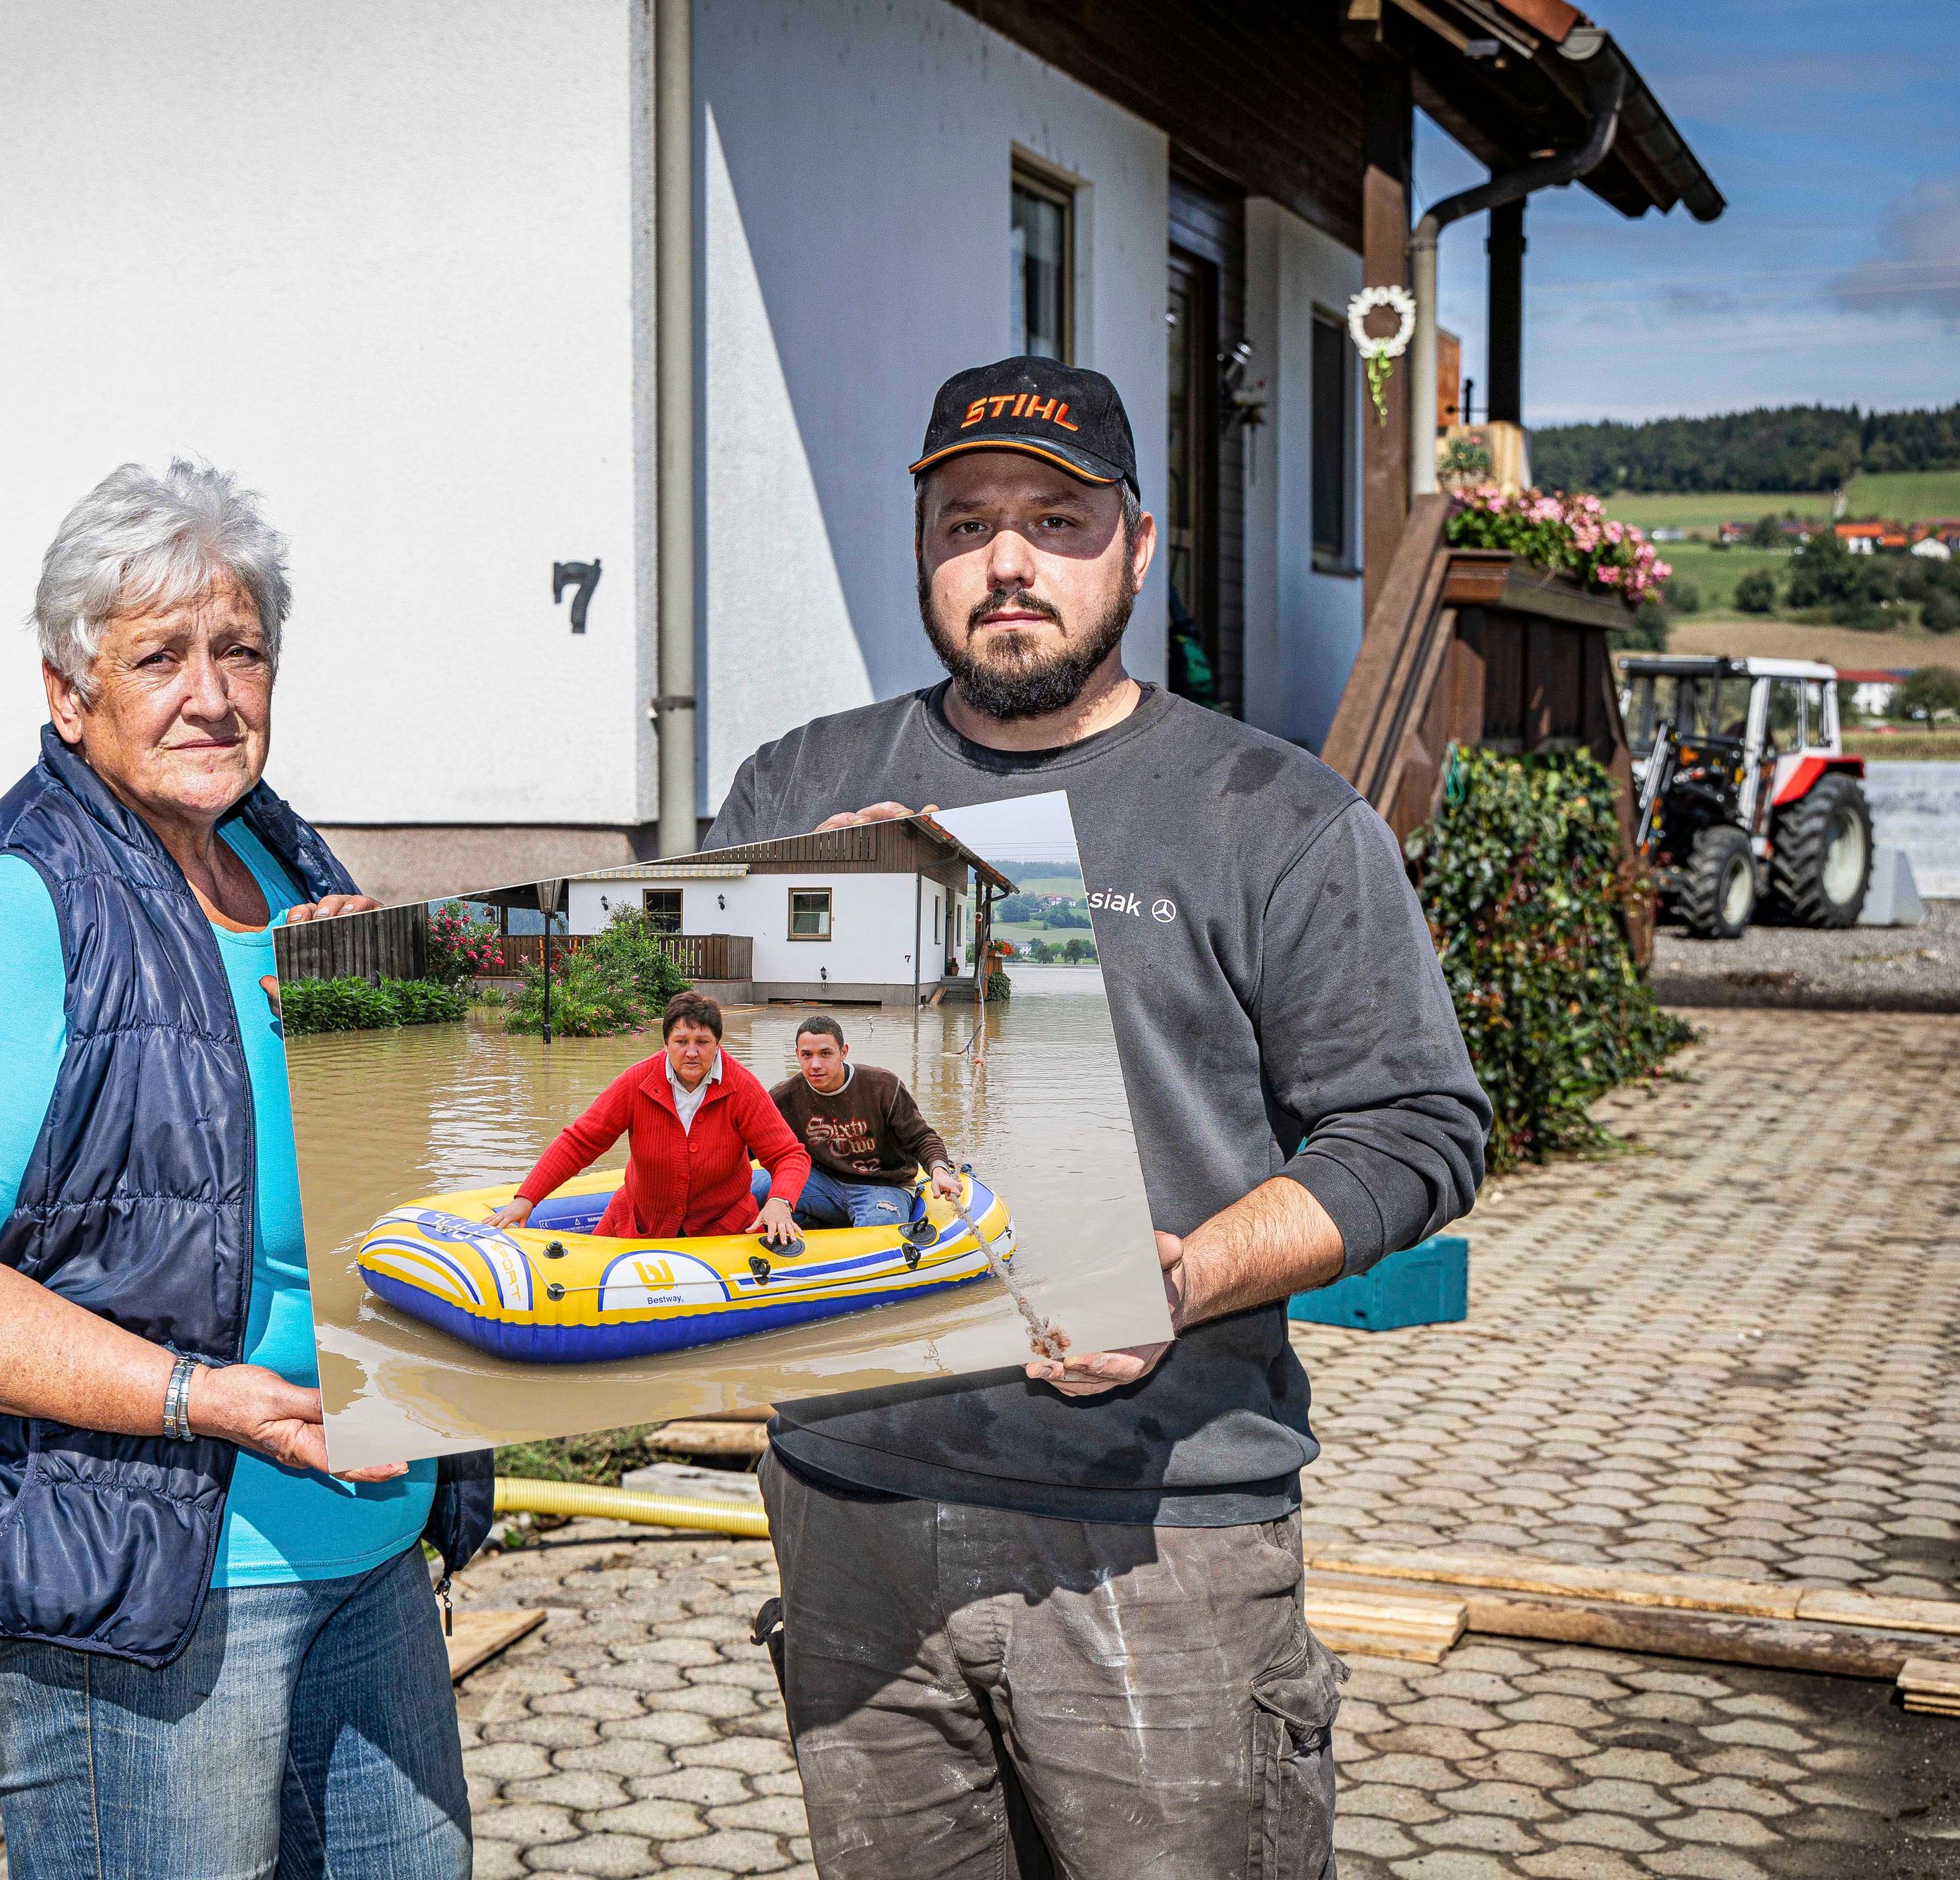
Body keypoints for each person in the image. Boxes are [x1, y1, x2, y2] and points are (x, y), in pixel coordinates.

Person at [706, 358, 1491, 1879]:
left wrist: (1180, 1275)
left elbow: (1410, 1128)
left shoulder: (1267, 814)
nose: (1005, 561)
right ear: (921, 549)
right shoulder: (799, 785)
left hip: (1159, 1530)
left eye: (1056, 521)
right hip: (847, 1509)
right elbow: (677, 1077)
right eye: (963, 521)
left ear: (1137, 549)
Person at [0, 459, 490, 1880]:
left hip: (365, 1540)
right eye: (159, 655)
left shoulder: (281, 861)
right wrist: (194, 1396)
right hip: (150, 1592)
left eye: (239, 648)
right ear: (70, 695)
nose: (211, 691)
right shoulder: (22, 905)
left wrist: (411, 1032)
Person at [491, 990, 812, 1244]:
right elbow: (580, 1142)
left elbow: (788, 1155)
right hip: (640, 1225)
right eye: (681, 1042)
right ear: (665, 1043)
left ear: (718, 1045)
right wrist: (527, 1197)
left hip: (723, 1230)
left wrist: (780, 1201)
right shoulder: (636, 1082)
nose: (692, 1052)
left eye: (703, 1042)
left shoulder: (742, 1087)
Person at [761, 1015, 962, 1229]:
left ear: (843, 1052)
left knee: (879, 1226)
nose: (815, 1065)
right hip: (820, 1182)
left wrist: (939, 1171)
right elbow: (751, 1145)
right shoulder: (784, 1096)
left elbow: (922, 1138)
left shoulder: (883, 1086)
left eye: (826, 1054)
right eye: (807, 1055)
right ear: (797, 1055)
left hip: (883, 1186)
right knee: (755, 1190)